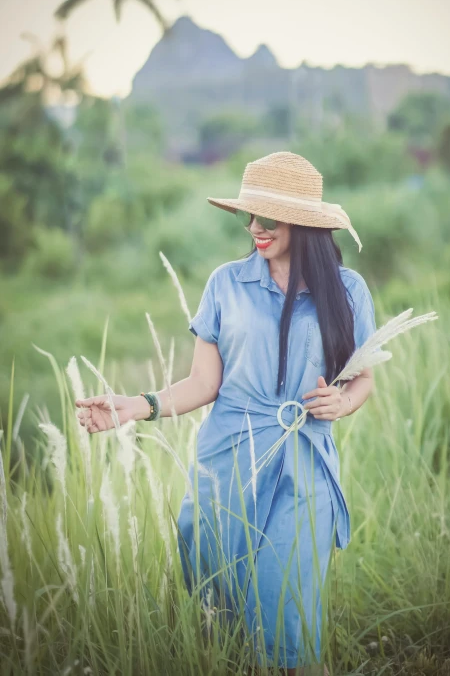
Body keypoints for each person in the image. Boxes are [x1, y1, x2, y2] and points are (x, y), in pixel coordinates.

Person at [75, 151, 378, 676]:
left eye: (267, 219)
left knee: (286, 610)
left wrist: (342, 402)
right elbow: (203, 384)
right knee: (224, 608)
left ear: (303, 224)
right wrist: (135, 407)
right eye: (248, 217)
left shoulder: (348, 292)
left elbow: (364, 378)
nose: (254, 229)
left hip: (304, 465)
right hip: (228, 462)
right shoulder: (225, 284)